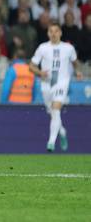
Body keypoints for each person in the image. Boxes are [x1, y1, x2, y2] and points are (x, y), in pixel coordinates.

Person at [29, 22, 83, 152]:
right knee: (53, 114)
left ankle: (51, 142)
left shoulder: (68, 48)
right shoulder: (42, 48)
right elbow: (31, 66)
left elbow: (75, 62)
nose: (53, 34)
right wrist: (40, 72)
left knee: (56, 109)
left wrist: (78, 71)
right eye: (51, 31)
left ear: (60, 33)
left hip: (62, 82)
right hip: (46, 85)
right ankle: (62, 132)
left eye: (56, 31)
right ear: (48, 33)